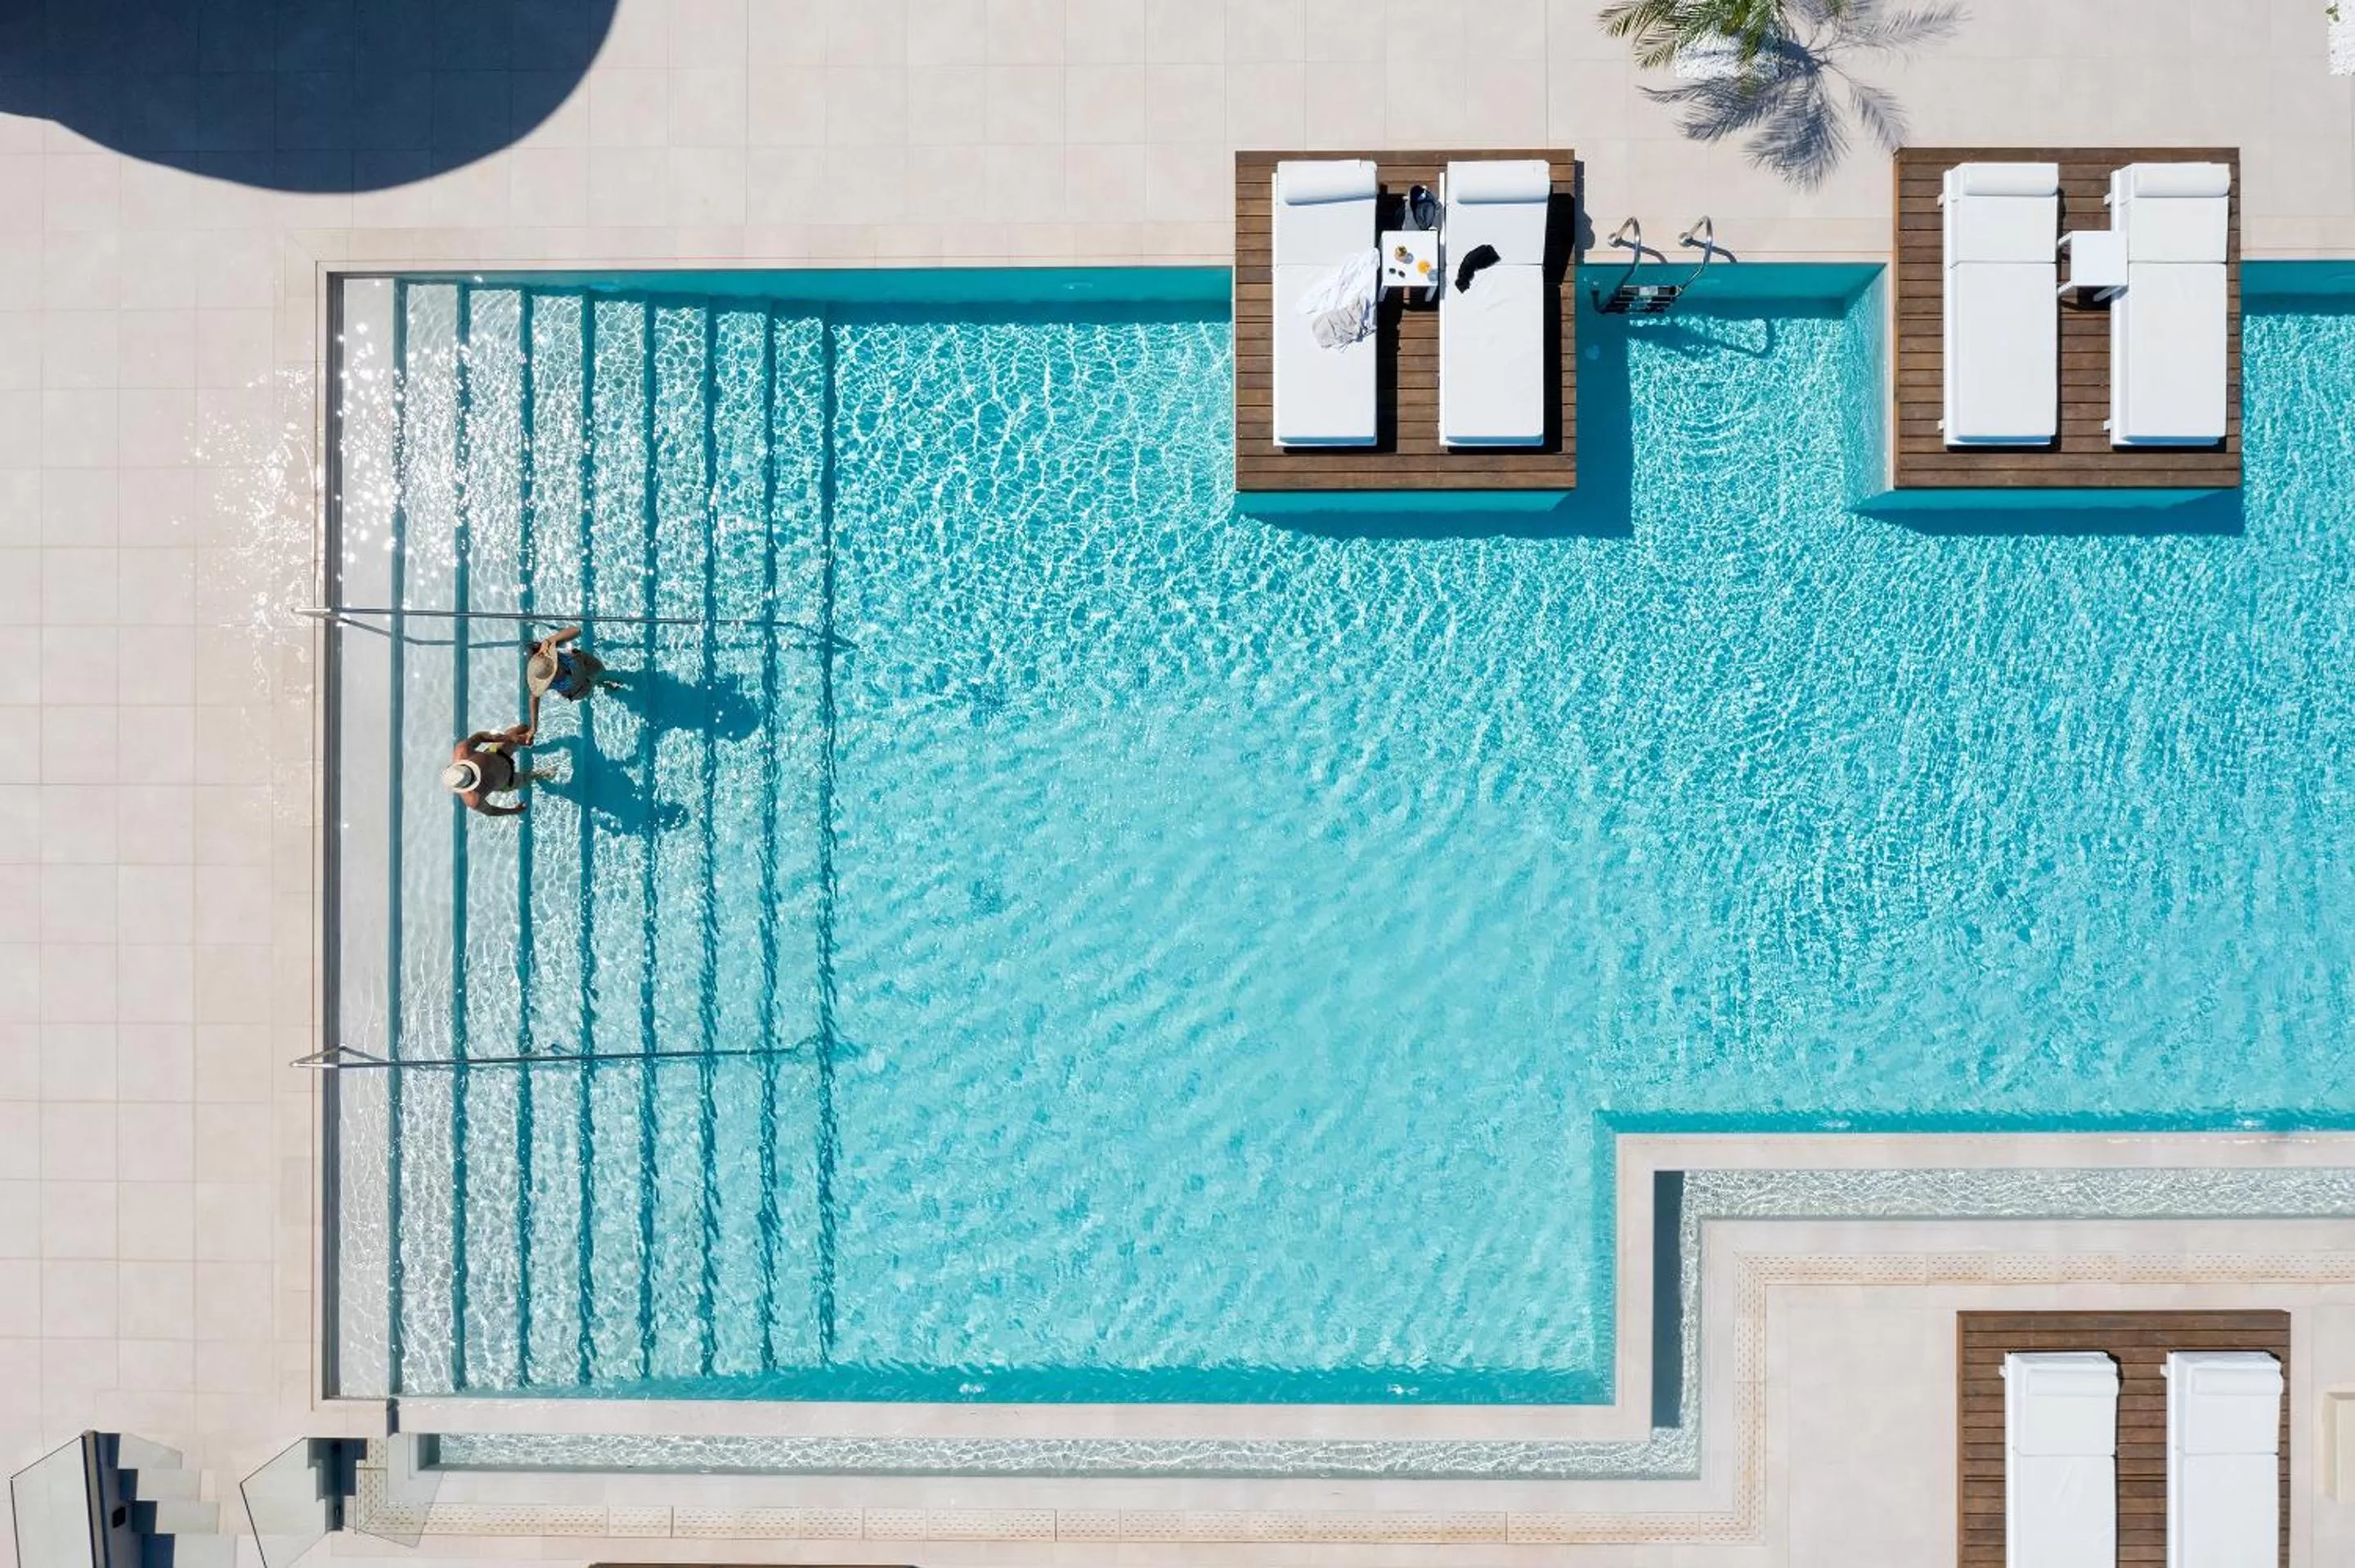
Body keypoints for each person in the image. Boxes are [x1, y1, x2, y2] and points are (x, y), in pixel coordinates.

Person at [526, 625, 625, 733]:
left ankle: (603, 682)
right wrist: (533, 728)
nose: (559, 671)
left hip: (587, 666)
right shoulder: (544, 681)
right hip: (579, 690)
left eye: (556, 666)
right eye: (553, 675)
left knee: (603, 674)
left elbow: (576, 631)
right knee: (594, 686)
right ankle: (601, 684)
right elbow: (533, 698)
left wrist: (548, 641)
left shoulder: (549, 653)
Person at [442, 724, 550, 818]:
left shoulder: (463, 750)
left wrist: (507, 737)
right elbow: (490, 811)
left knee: (523, 729)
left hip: (498, 753)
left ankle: (516, 735)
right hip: (509, 781)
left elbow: (479, 736)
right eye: (474, 779)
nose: (478, 775)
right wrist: (514, 811)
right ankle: (545, 773)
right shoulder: (473, 800)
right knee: (543, 774)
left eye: (474, 773)